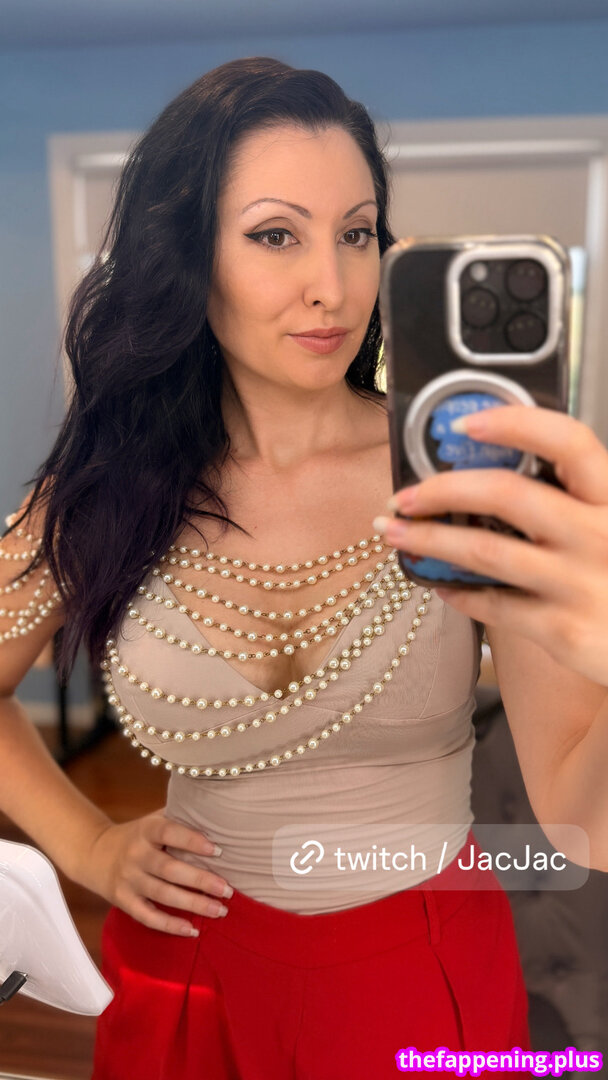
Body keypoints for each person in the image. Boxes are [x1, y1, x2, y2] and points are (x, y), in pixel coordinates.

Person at [1, 55, 608, 1080]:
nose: (333, 285)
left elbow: (581, 820)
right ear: (186, 254)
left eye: (357, 233)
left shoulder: (467, 475)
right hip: (184, 977)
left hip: (420, 974)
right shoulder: (105, 487)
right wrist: (87, 845)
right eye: (275, 234)